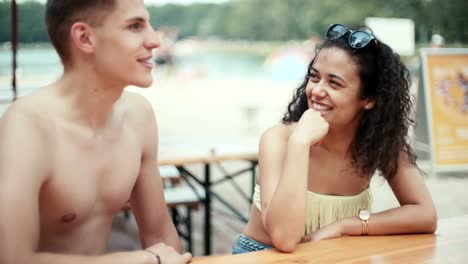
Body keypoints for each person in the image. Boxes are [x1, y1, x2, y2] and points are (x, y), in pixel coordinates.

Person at [0, 1, 191, 264]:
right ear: (85, 38)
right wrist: (139, 260)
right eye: (135, 26)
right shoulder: (27, 126)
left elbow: (159, 235)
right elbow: (13, 259)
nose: (155, 40)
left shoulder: (138, 115)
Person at [232, 23, 437, 254]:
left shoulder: (379, 142)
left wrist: (346, 225)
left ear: (368, 98)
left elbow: (425, 214)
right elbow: (285, 239)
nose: (317, 91)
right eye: (314, 77)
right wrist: (300, 143)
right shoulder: (278, 139)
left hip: (336, 255)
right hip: (263, 256)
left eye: (334, 83)